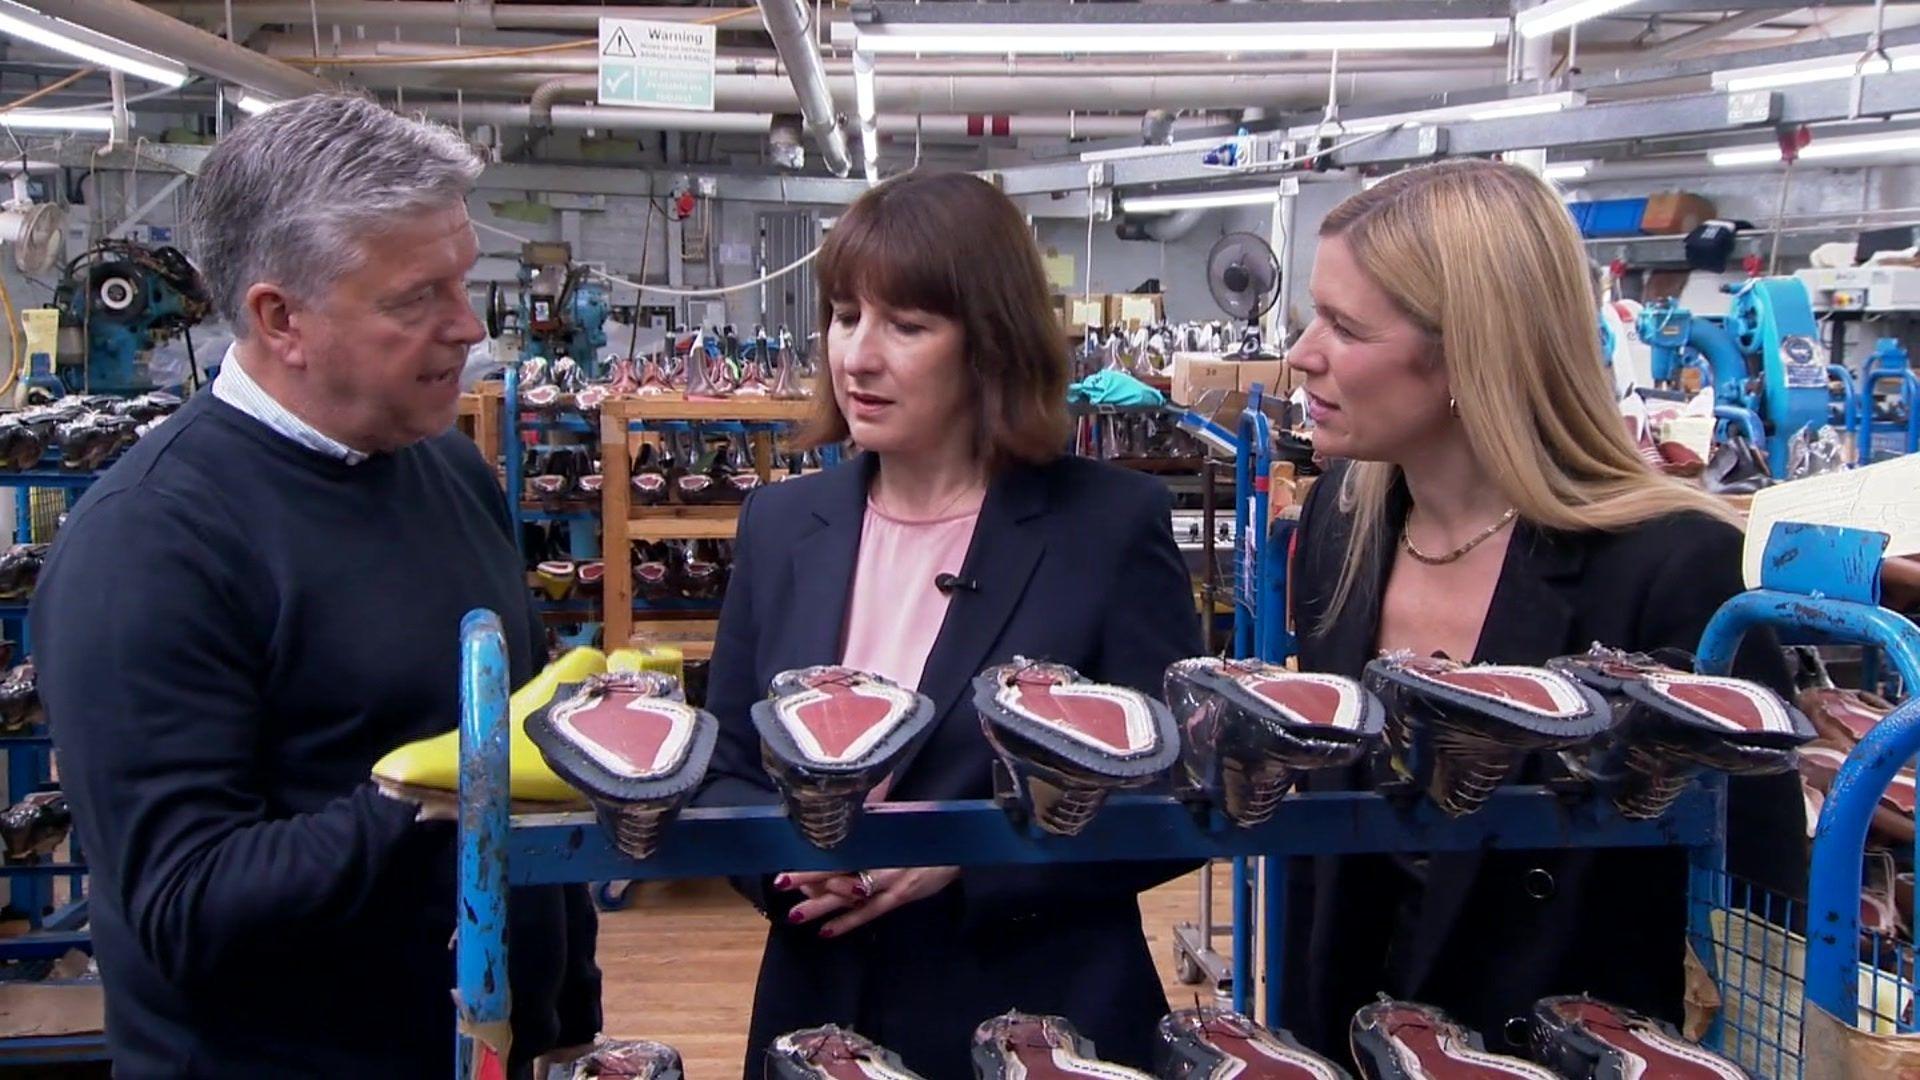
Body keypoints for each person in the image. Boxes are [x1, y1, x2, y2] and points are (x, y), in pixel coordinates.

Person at [30, 93, 599, 1078]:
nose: (466, 326)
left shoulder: (447, 469)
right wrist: (430, 793)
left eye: (463, 282)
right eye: (415, 298)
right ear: (279, 317)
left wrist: (568, 1018)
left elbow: (527, 795)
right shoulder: (154, 545)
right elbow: (183, 905)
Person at [1278, 159, 1805, 1065]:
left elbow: (1764, 913)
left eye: (1346, 326)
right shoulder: (1345, 520)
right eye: (1311, 314)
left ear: (1470, 351)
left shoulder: (1676, 564)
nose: (1301, 353)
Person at [698, 171, 1203, 1080]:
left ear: (991, 344)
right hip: (825, 1007)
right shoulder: (782, 527)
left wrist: (971, 858)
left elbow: (1168, 788)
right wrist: (792, 868)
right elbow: (730, 768)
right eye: (846, 314)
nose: (857, 355)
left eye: (908, 325)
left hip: (1039, 1013)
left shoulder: (1106, 528)